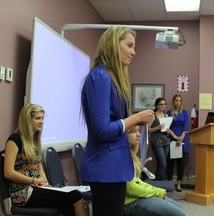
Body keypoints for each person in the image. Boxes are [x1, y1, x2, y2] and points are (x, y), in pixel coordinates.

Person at [80, 26, 154, 216]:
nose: (133, 52)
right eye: (129, 45)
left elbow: (111, 126)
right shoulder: (100, 77)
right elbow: (102, 130)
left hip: (112, 167)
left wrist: (127, 138)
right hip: (105, 168)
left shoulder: (109, 78)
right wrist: (136, 118)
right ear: (114, 44)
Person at [4, 104, 88, 216]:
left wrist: (44, 181)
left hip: (36, 188)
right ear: (27, 120)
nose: (41, 121)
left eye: (42, 118)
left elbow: (40, 168)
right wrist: (34, 180)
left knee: (68, 207)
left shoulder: (34, 141)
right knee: (76, 196)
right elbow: (8, 173)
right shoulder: (14, 140)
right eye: (38, 118)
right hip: (22, 194)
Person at [123, 126, 187, 216]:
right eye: (134, 132)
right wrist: (156, 192)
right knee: (179, 214)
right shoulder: (120, 156)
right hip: (128, 202)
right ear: (123, 136)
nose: (139, 134)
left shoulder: (129, 153)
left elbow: (137, 181)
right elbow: (131, 188)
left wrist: (156, 190)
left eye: (138, 131)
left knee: (179, 208)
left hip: (134, 196)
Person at [148, 97, 178, 180]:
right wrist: (157, 127)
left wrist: (174, 136)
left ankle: (157, 182)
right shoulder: (153, 115)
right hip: (156, 142)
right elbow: (148, 130)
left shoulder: (166, 115)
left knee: (162, 164)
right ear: (157, 105)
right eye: (161, 104)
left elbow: (167, 129)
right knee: (163, 163)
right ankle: (158, 182)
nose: (163, 106)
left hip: (166, 141)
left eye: (164, 104)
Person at [166, 94, 189, 192]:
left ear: (181, 102)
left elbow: (186, 126)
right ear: (173, 101)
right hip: (171, 139)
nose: (178, 102)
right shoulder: (168, 113)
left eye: (179, 101)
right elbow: (167, 127)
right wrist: (175, 137)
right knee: (170, 164)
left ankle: (179, 184)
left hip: (182, 140)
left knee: (181, 164)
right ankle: (170, 183)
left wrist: (181, 137)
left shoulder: (184, 113)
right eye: (176, 101)